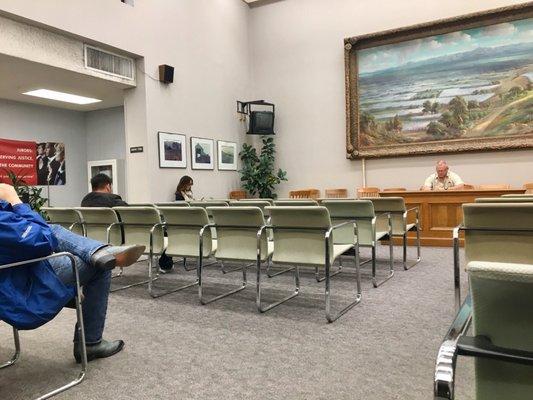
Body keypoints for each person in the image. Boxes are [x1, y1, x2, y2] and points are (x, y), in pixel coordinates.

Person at [0, 183, 145, 362]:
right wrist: (15, 200)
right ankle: (90, 343)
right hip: (19, 290)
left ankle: (98, 252)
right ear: (108, 186)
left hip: (15, 274)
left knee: (54, 232)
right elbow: (43, 239)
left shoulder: (86, 201)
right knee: (101, 265)